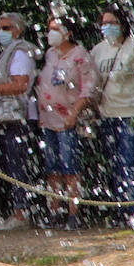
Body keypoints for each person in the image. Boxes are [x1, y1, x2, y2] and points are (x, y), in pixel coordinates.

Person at [91, 5, 134, 229]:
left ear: (122, 24)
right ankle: (121, 211)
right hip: (107, 114)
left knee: (129, 164)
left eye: (112, 23)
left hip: (132, 113)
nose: (107, 27)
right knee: (114, 165)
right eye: (104, 23)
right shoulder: (98, 51)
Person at [35, 14, 99, 231]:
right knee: (52, 169)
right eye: (49, 28)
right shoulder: (50, 54)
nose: (51, 33)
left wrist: (74, 112)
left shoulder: (81, 56)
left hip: (69, 120)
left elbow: (88, 88)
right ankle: (54, 212)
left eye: (56, 28)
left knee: (70, 168)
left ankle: (74, 215)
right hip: (48, 119)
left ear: (68, 33)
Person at [0, 12, 41, 232]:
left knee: (18, 166)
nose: (2, 32)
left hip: (19, 118)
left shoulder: (20, 52)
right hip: (8, 117)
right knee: (12, 165)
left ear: (18, 30)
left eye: (7, 28)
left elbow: (20, 84)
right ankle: (19, 210)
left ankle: (21, 212)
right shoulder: (9, 52)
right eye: (0, 28)